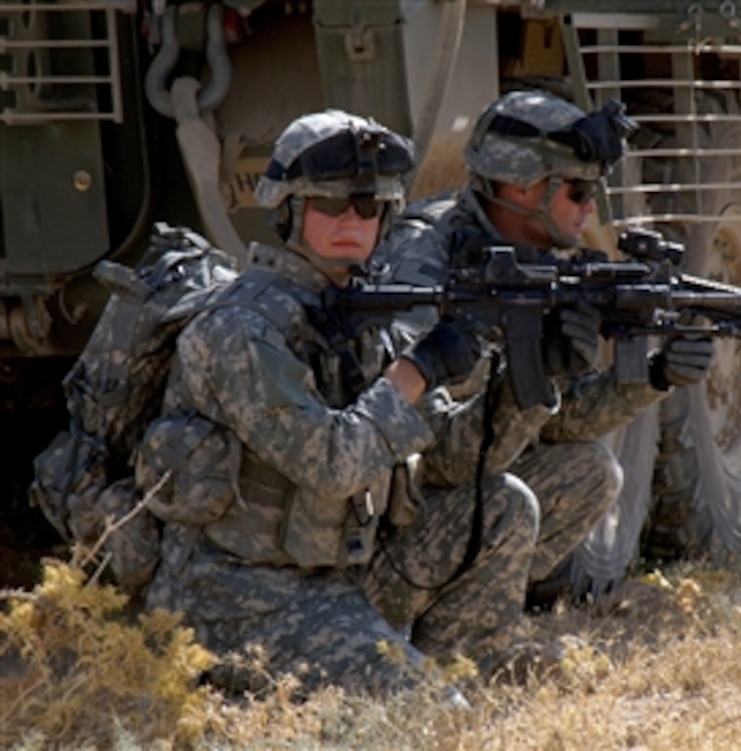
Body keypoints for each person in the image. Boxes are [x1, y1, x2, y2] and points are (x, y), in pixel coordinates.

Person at [136, 109, 544, 699]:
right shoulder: (245, 328)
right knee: (436, 716)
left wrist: (533, 377)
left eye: (370, 207)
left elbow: (451, 463)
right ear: (290, 211)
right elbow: (330, 466)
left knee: (502, 504)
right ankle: (412, 693)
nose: (353, 219)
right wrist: (418, 369)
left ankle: (437, 675)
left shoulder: (354, 310)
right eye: (330, 205)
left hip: (339, 573)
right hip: (236, 602)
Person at [370, 89, 715, 609]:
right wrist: (523, 386)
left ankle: (471, 616)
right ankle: (444, 632)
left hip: (456, 489)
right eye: (578, 190)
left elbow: (558, 425)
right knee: (511, 500)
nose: (591, 206)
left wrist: (655, 376)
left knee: (591, 470)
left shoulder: (536, 262)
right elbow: (431, 458)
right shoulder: (423, 264)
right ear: (522, 188)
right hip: (393, 517)